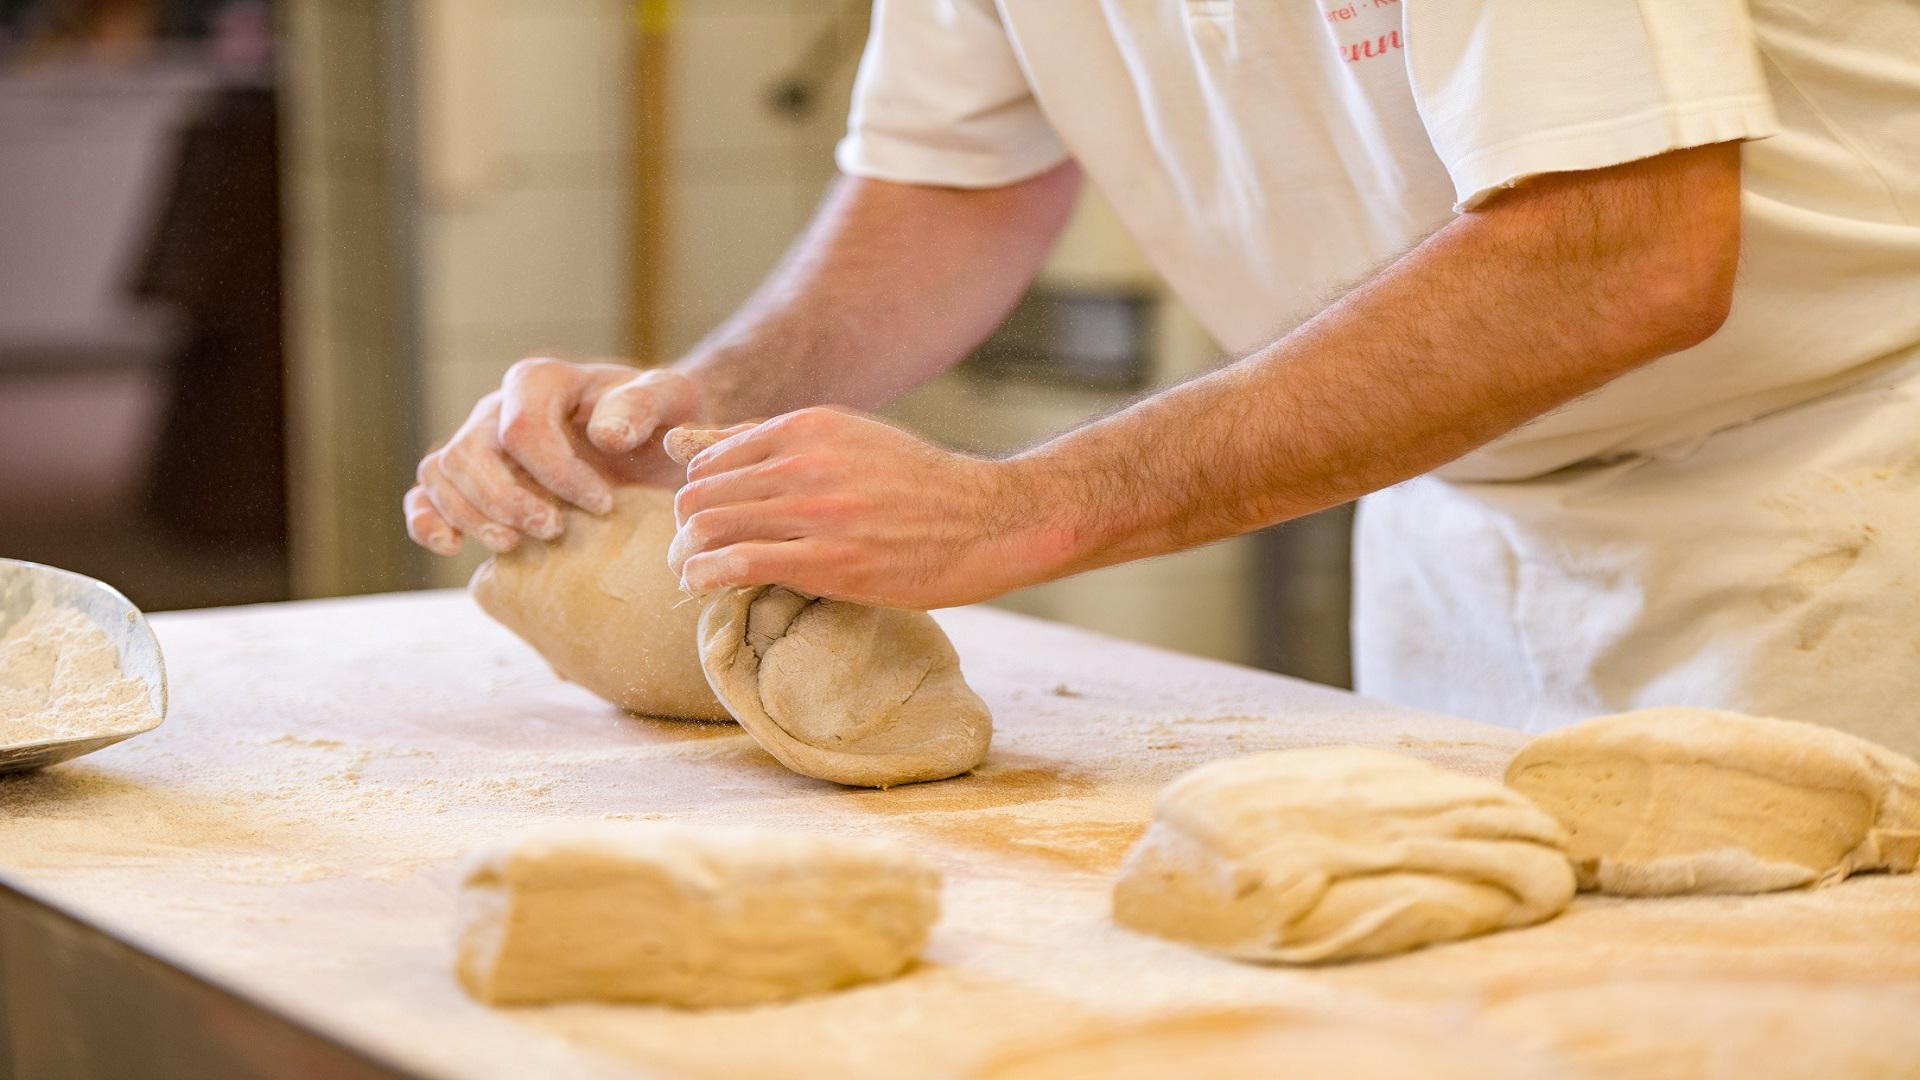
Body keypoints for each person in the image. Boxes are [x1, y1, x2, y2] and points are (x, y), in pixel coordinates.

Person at [406, 1, 1920, 759]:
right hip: (1463, 532)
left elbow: (1624, 246)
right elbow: (954, 183)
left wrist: (1032, 511)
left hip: (1832, 507)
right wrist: (701, 406)